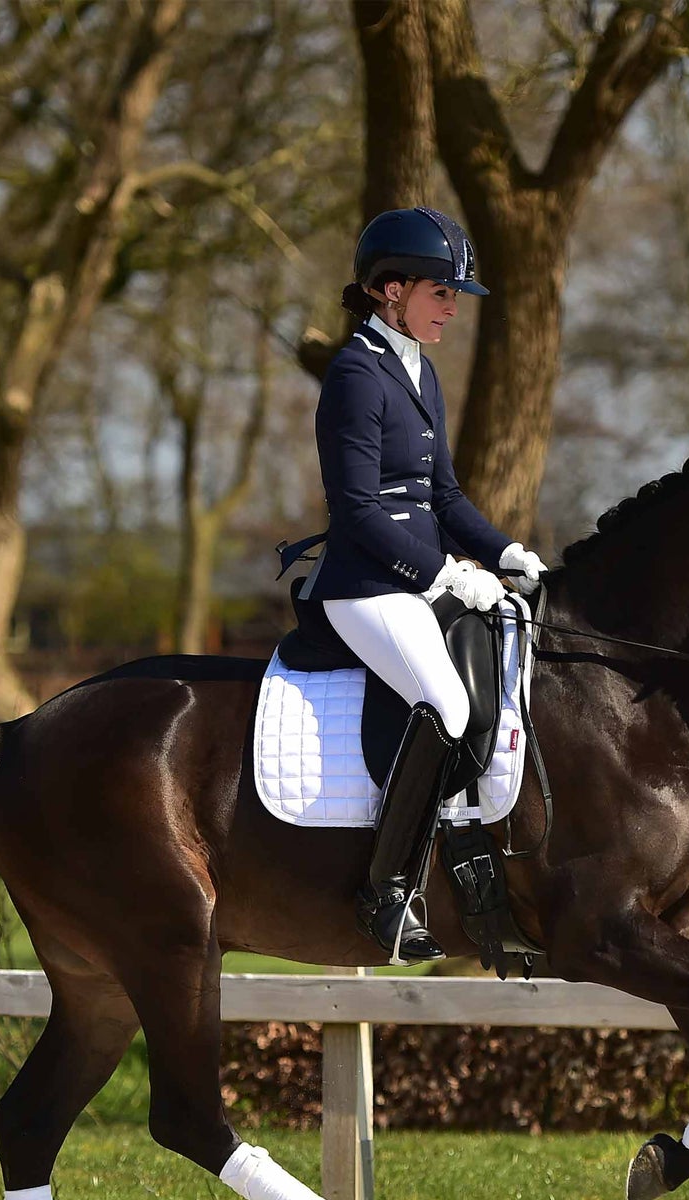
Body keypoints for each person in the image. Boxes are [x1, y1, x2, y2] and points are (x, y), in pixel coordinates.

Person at [305, 206, 545, 962]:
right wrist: (446, 573)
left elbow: (442, 497)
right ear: (390, 291)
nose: (450, 308)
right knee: (443, 702)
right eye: (440, 293)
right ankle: (384, 893)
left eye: (453, 295)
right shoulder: (353, 375)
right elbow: (357, 511)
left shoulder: (420, 371)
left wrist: (507, 552)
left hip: (418, 578)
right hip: (365, 586)